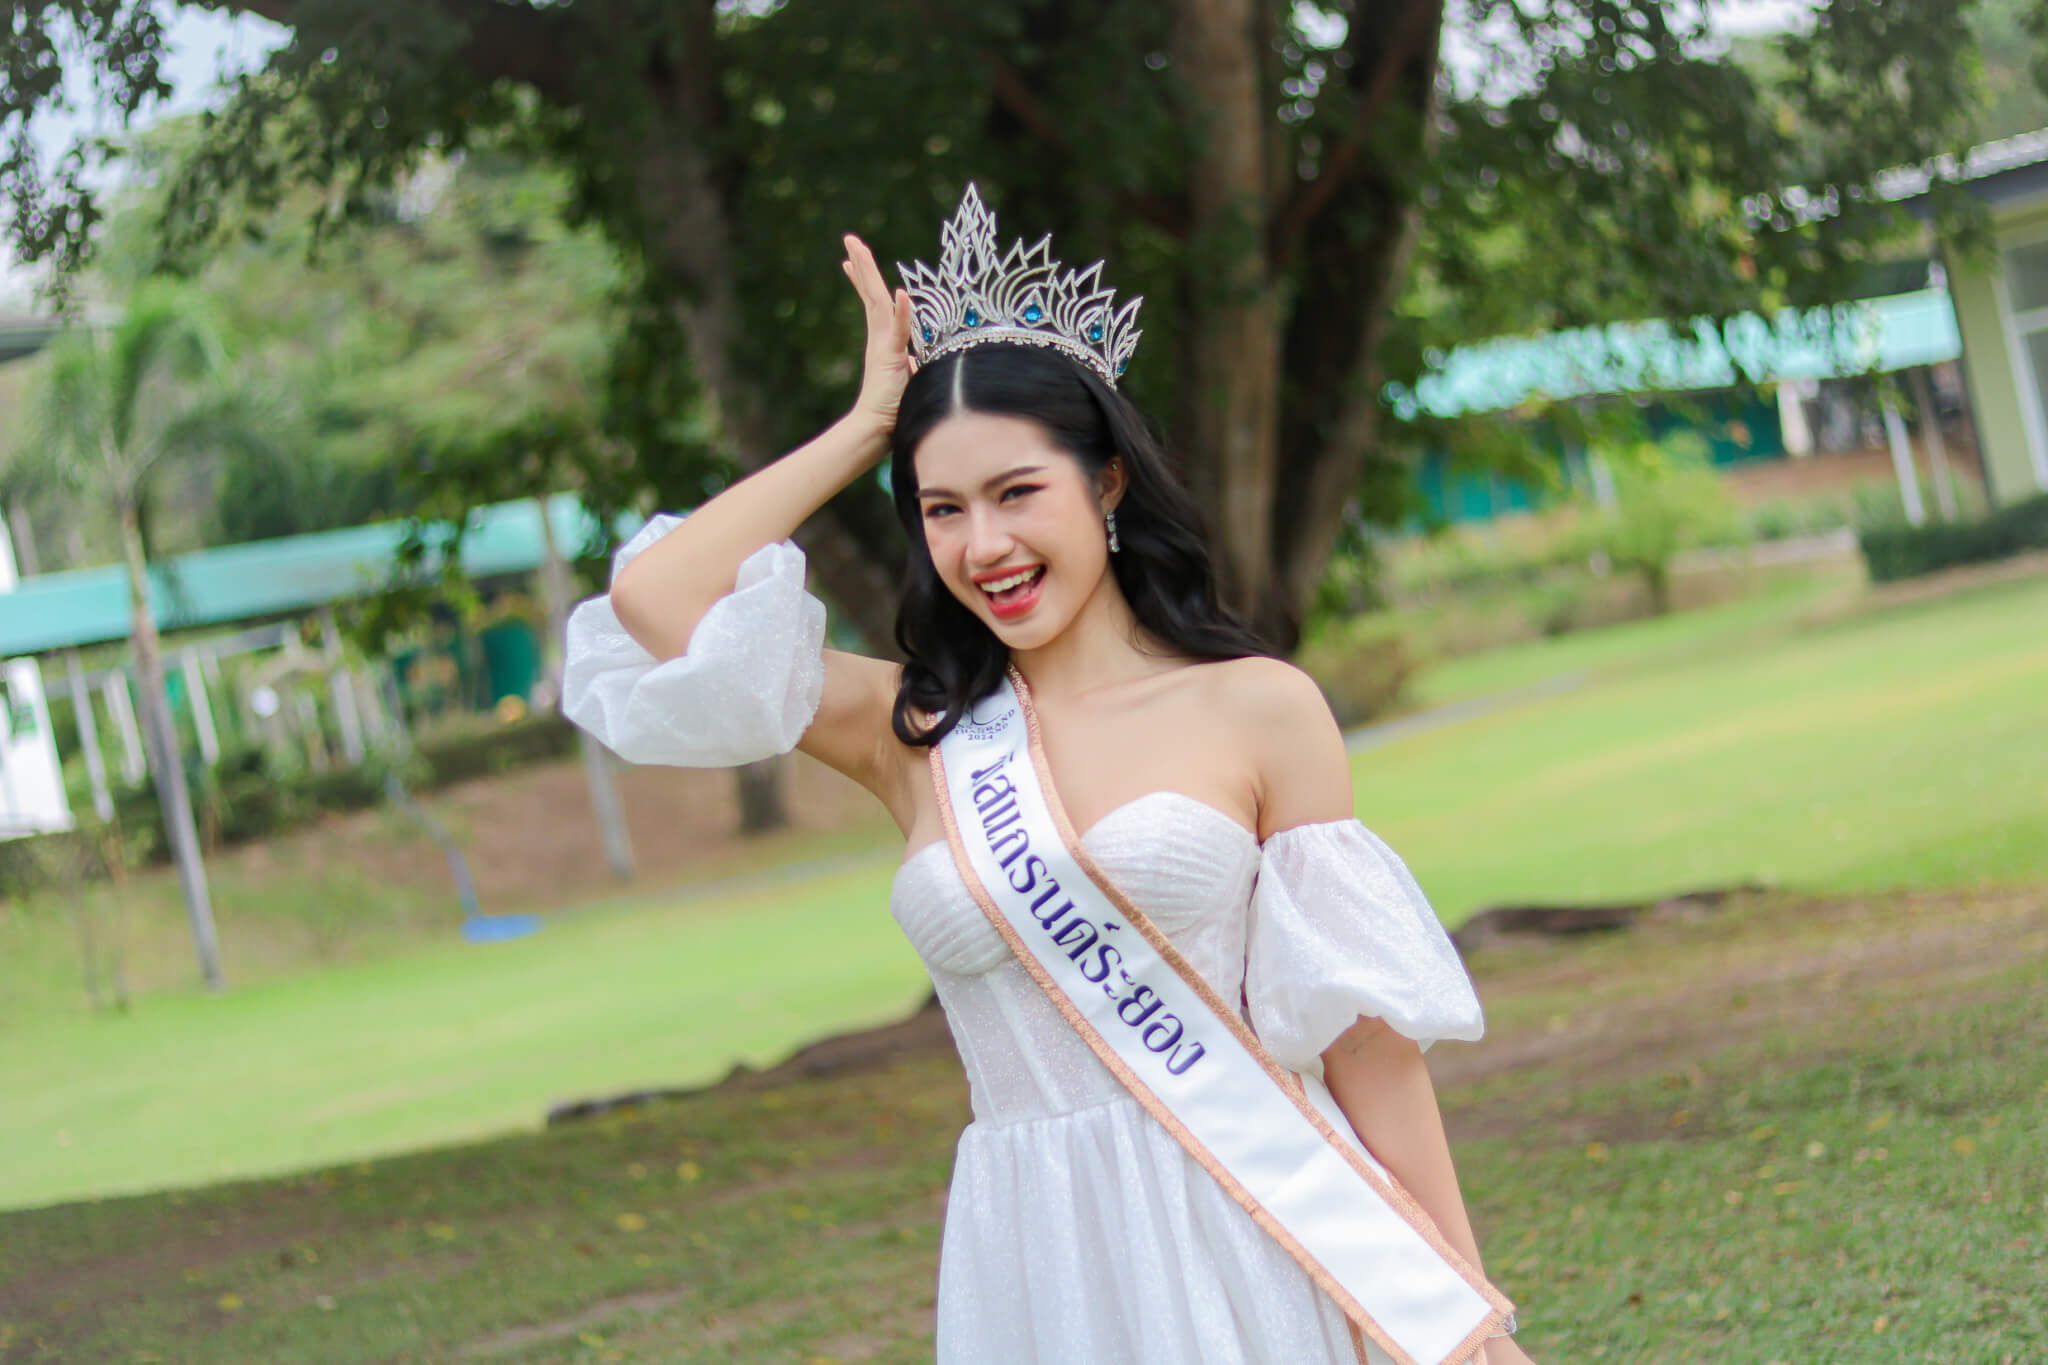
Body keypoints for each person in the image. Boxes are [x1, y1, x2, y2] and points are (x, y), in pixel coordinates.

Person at [562, 186, 1533, 1365]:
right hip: (1033, 1252)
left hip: (1257, 1220)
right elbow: (655, 600)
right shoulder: (909, 727)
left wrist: (1447, 1300)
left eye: (1018, 492)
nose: (985, 547)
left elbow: (1364, 1037)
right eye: (941, 508)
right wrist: (873, 421)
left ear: (1106, 484)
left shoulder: (1257, 708)